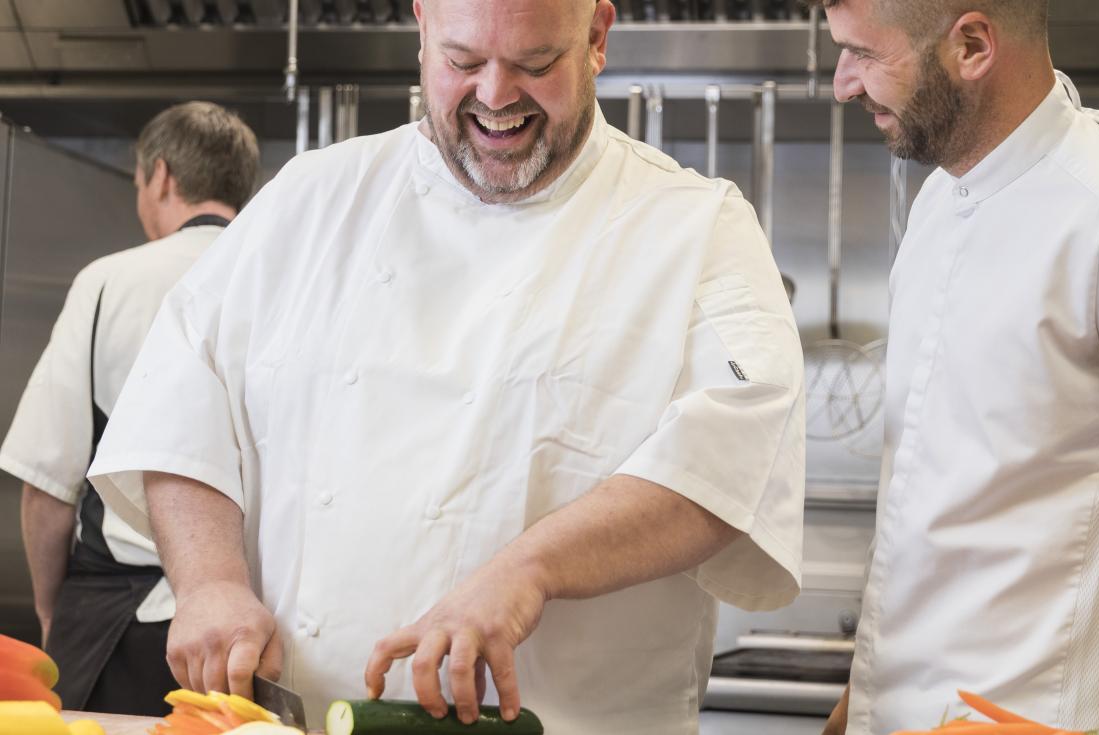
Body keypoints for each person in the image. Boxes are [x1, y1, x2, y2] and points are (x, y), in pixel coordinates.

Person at [86, 0, 806, 731]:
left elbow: (734, 457)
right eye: (463, 62)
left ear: (595, 39)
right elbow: (179, 401)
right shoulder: (312, 198)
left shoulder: (696, 225)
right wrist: (209, 581)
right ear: (422, 29)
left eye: (535, 64)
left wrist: (531, 568)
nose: (496, 96)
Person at [815, 1, 1099, 733]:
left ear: (973, 45)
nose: (842, 84)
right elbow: (944, 499)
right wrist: (864, 701)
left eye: (865, 54)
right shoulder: (939, 201)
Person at [0, 101, 260, 716]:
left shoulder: (110, 281)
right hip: (252, 633)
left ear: (161, 176)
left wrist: (51, 610)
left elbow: (48, 484)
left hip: (121, 628)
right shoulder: (284, 278)